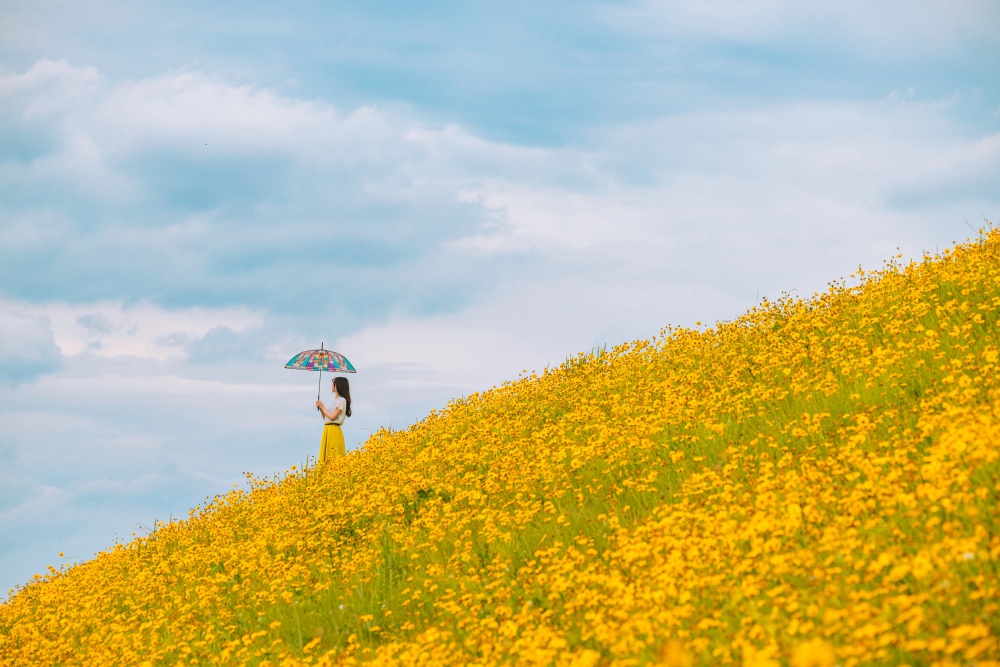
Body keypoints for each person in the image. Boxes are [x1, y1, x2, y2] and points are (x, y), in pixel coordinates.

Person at [316, 376, 352, 463]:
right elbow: (326, 418)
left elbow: (333, 417)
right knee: (326, 455)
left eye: (334, 384)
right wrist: (321, 408)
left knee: (333, 455)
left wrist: (323, 407)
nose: (332, 386)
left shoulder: (342, 400)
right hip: (328, 428)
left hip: (334, 430)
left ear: (338, 386)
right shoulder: (335, 400)